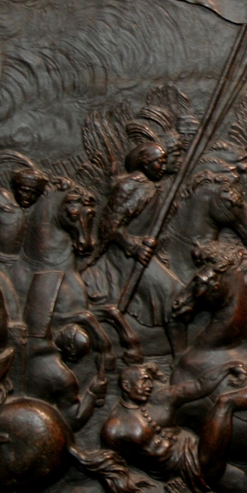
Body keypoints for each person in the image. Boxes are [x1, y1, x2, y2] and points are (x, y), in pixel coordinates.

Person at [100, 360, 247, 493]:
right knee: (225, 403)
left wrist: (227, 367)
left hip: (196, 450)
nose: (149, 386)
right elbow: (111, 471)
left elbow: (198, 386)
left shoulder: (159, 401)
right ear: (126, 385)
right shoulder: (114, 429)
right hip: (195, 465)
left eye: (150, 381)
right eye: (143, 381)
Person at [85, 142, 186, 356]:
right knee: (173, 293)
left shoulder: (157, 187)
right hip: (122, 253)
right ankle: (180, 355)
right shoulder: (130, 186)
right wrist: (133, 246)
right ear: (145, 163)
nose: (162, 166)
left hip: (145, 251)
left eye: (164, 162)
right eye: (159, 162)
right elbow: (109, 226)